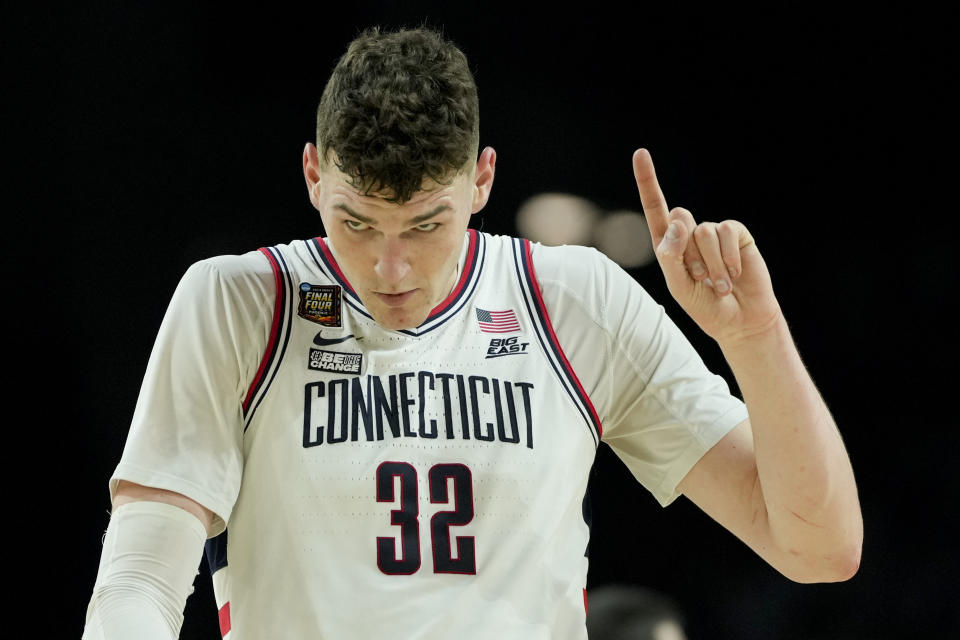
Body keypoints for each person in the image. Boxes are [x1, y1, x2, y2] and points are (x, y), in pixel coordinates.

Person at [82, 26, 863, 640]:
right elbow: (140, 584)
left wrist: (755, 336)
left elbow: (818, 548)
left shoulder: (573, 299)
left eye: (426, 225)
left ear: (482, 179)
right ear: (314, 176)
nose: (390, 267)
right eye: (357, 222)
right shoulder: (240, 302)